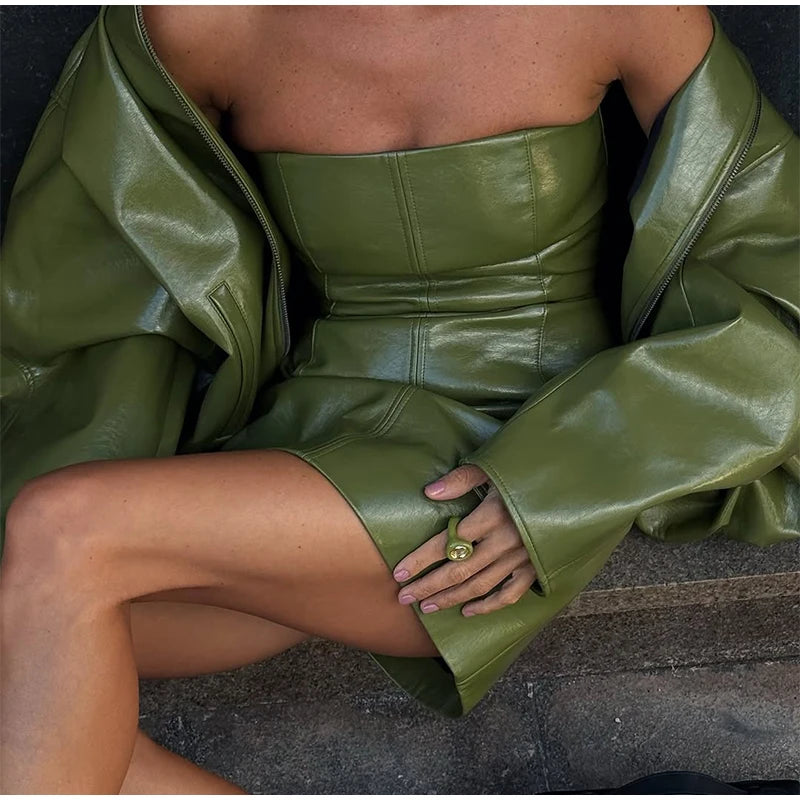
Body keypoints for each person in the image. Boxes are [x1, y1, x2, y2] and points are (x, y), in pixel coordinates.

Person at [0, 4, 797, 794]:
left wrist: (572, 481)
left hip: (503, 457)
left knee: (60, 532)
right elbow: (101, 280)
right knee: (28, 646)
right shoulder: (199, 21)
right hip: (300, 446)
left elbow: (774, 265)